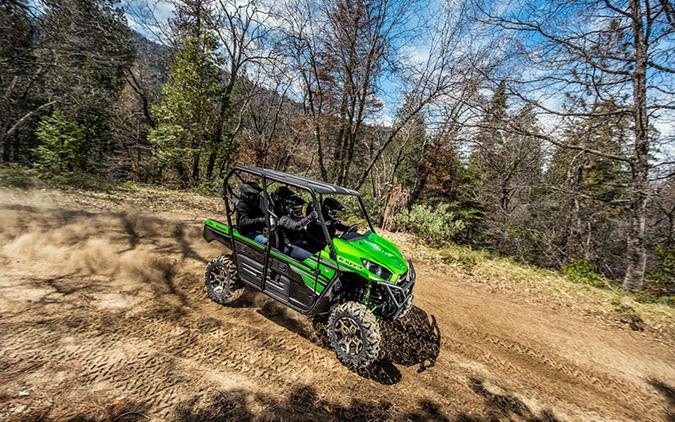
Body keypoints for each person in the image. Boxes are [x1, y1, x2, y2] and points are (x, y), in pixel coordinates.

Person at [278, 195, 318, 260]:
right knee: (312, 258)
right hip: (288, 247)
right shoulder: (284, 219)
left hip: (299, 244)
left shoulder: (296, 219)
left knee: (319, 254)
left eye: (301, 209)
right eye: (298, 209)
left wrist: (322, 245)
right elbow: (296, 226)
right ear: (290, 209)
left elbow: (306, 236)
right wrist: (310, 217)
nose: (300, 212)